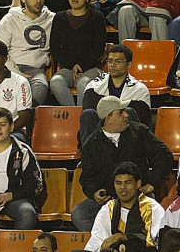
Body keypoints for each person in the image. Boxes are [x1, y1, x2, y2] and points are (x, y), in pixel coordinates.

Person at [72, 95, 174, 231]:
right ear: (108, 119)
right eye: (121, 112)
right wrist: (94, 192)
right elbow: (87, 178)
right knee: (80, 214)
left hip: (138, 195)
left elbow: (165, 156)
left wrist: (151, 183)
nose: (127, 115)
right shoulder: (91, 145)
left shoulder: (139, 132)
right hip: (110, 199)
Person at [85, 162, 164, 251]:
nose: (122, 187)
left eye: (128, 182)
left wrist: (123, 237)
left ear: (138, 184)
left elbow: (152, 242)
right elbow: (97, 240)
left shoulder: (152, 208)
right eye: (118, 183)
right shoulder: (109, 208)